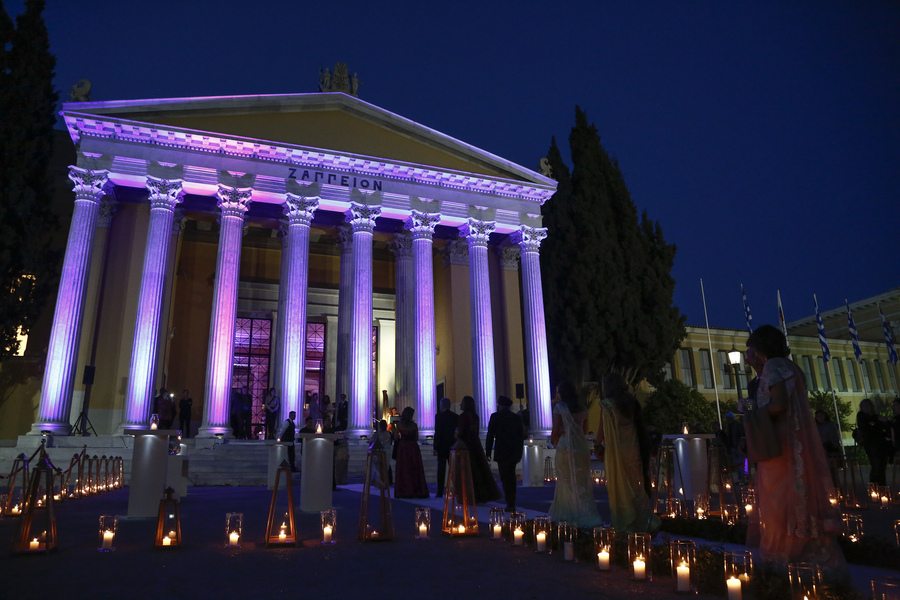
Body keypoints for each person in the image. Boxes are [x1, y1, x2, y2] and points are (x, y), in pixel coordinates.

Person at [742, 325, 844, 570]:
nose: (748, 356)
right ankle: (804, 548)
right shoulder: (792, 368)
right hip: (794, 444)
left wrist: (750, 412)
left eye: (750, 350)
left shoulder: (774, 367)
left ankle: (779, 554)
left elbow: (778, 405)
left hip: (777, 445)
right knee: (798, 496)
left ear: (759, 349)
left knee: (776, 501)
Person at [597, 374, 656, 532]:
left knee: (620, 485)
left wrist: (598, 446)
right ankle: (644, 519)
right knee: (636, 484)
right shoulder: (631, 402)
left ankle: (625, 521)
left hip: (616, 452)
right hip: (633, 448)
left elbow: (601, 433)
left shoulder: (607, 405)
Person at [549, 381, 602, 527]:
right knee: (581, 482)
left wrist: (554, 441)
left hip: (565, 447)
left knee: (565, 481)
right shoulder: (583, 408)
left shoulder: (559, 408)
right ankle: (583, 511)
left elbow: (556, 430)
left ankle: (567, 512)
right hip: (580, 448)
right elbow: (584, 430)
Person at [456, 395, 500, 503]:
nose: (460, 404)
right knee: (479, 470)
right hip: (475, 445)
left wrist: (456, 435)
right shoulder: (475, 416)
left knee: (468, 471)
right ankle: (481, 494)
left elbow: (461, 432)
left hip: (465, 447)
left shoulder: (463, 416)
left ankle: (468, 495)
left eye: (462, 402)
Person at [486, 395, 525, 511]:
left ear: (500, 405)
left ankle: (509, 502)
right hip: (513, 452)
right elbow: (520, 437)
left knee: (504, 477)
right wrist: (519, 453)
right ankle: (511, 502)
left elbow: (490, 435)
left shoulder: (495, 417)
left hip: (501, 451)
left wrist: (488, 452)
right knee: (511, 477)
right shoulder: (516, 418)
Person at [393, 407, 429, 498]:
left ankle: (404, 490)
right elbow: (416, 438)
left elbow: (396, 437)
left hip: (403, 448)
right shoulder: (414, 425)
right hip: (413, 448)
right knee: (414, 468)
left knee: (404, 469)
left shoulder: (400, 425)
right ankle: (416, 490)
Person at [856, 398, 891, 486]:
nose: (867, 408)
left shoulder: (875, 416)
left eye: (868, 406)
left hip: (881, 444)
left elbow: (883, 426)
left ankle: (882, 486)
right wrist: (877, 420)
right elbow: (866, 427)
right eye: (864, 406)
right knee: (876, 465)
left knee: (882, 466)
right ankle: (874, 487)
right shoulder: (861, 416)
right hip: (871, 444)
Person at [433, 397, 459, 498]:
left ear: (442, 405)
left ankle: (440, 491)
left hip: (442, 446)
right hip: (452, 445)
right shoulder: (455, 417)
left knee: (441, 469)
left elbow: (437, 432)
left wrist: (435, 446)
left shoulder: (438, 416)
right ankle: (458, 490)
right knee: (454, 469)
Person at [815, 409, 842, 486]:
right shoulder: (816, 427)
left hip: (831, 449)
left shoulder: (830, 425)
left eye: (821, 415)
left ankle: (836, 488)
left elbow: (835, 438)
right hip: (821, 450)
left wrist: (833, 446)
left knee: (833, 471)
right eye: (818, 416)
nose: (820, 418)